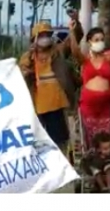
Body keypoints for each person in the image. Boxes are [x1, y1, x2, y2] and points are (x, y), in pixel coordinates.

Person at [19, 19, 82, 151]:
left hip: (57, 104)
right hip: (37, 106)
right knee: (40, 143)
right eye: (41, 35)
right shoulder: (28, 57)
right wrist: (30, 62)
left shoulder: (58, 51)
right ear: (34, 38)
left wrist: (75, 26)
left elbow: (75, 38)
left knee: (60, 141)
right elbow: (21, 75)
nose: (45, 38)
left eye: (47, 35)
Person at [71, 20, 110, 147]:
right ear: (90, 42)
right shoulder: (86, 60)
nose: (100, 42)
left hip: (105, 105)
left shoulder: (108, 59)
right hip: (88, 105)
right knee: (89, 138)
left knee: (106, 137)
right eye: (96, 39)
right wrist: (71, 31)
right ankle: (91, 160)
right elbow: (75, 51)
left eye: (102, 39)